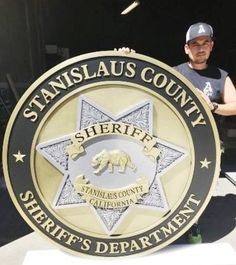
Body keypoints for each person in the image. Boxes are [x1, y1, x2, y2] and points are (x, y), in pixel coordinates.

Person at [175, 22, 236, 244]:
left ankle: (194, 225)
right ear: (186, 48)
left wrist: (213, 106)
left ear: (211, 46)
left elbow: (235, 105)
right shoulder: (175, 74)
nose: (200, 48)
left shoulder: (221, 76)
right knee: (176, 186)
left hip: (209, 143)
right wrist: (128, 57)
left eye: (205, 43)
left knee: (202, 188)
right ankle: (173, 225)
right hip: (178, 142)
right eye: (195, 44)